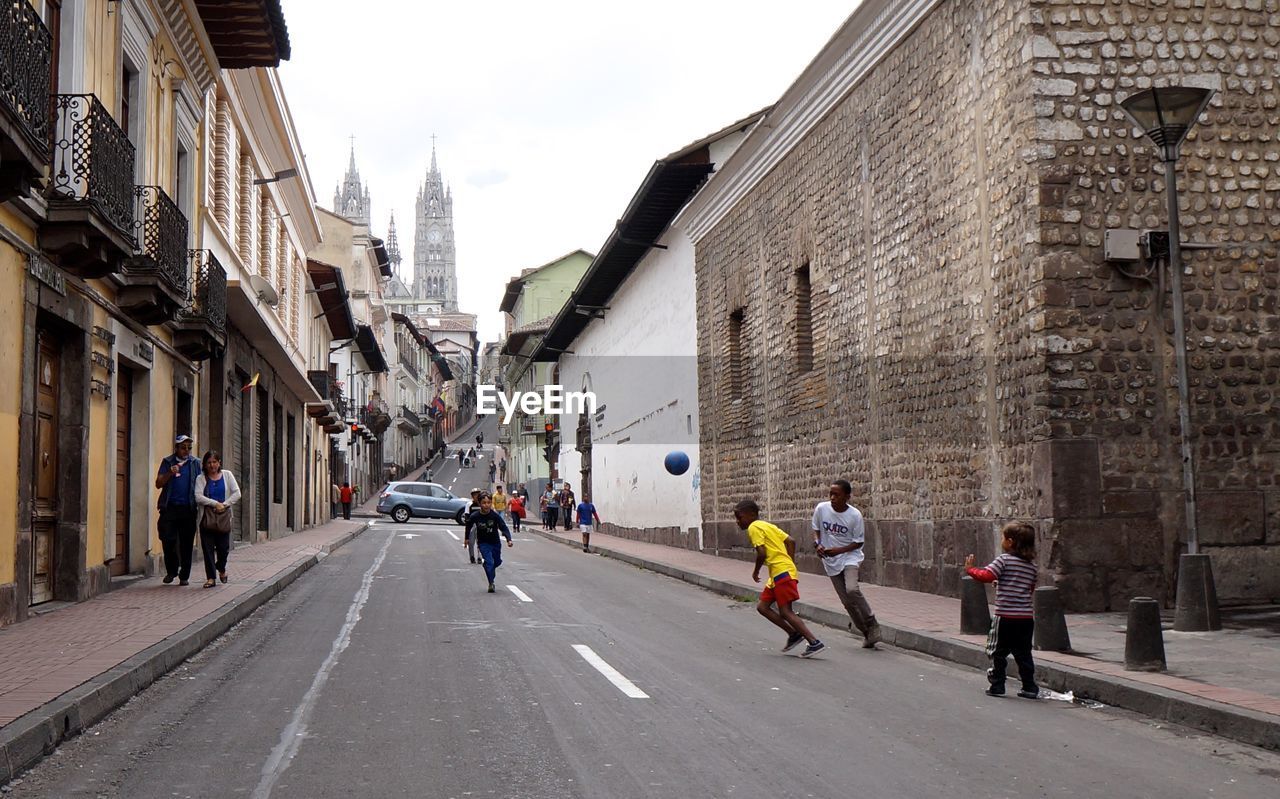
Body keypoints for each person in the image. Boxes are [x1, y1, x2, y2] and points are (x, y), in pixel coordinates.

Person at [734, 498, 824, 658]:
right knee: (763, 606)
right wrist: (789, 561)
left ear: (752, 515)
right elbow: (791, 541)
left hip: (781, 573)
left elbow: (761, 552)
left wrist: (755, 571)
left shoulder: (754, 527)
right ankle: (793, 633)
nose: (737, 521)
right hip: (779, 573)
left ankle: (814, 641)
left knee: (785, 611)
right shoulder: (767, 525)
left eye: (739, 517)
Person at [965, 523, 1040, 699]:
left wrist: (970, 569)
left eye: (1003, 538)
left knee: (998, 651)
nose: (1002, 541)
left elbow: (987, 575)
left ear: (1011, 542)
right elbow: (1027, 589)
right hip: (1025, 618)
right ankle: (1029, 686)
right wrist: (1004, 584)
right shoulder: (1031, 567)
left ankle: (998, 684)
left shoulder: (1004, 560)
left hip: (1005, 616)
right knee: (1023, 653)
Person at [812, 479, 882, 649]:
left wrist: (838, 550)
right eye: (831, 494)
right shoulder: (822, 509)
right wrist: (818, 544)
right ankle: (866, 632)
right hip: (830, 560)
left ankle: (872, 622)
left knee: (852, 589)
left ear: (847, 497)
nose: (832, 498)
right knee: (847, 601)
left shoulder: (855, 515)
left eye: (837, 494)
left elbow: (858, 542)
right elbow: (816, 530)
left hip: (850, 556)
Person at [155, 434, 202, 585]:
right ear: (176, 448)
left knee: (186, 543)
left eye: (189, 448)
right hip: (169, 508)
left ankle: (184, 576)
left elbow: (202, 483)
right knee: (167, 539)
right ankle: (172, 570)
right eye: (183, 448)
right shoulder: (167, 462)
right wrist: (170, 472)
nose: (186, 451)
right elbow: (158, 483)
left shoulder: (195, 463)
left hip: (188, 508)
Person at [194, 451, 241, 588]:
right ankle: (211, 578)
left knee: (223, 549)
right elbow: (197, 496)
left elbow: (237, 493)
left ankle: (221, 568)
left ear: (219, 462)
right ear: (205, 464)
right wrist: (215, 503)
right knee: (207, 550)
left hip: (223, 518)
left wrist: (224, 505)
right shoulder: (200, 478)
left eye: (214, 462)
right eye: (209, 462)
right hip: (206, 519)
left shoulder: (227, 475)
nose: (212, 465)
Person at [465, 493, 513, 592]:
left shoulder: (494, 516)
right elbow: (468, 526)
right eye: (484, 503)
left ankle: (488, 567)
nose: (486, 505)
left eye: (488, 503)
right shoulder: (475, 516)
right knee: (490, 563)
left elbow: (503, 527)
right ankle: (491, 583)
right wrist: (466, 539)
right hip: (483, 543)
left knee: (497, 562)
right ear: (479, 503)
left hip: (495, 542)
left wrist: (509, 539)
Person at [462, 489, 483, 564]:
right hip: (472, 525)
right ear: (472, 496)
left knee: (480, 542)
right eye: (475, 495)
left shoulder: (482, 504)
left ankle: (479, 557)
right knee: (471, 542)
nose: (476, 496)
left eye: (478, 494)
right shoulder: (469, 504)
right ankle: (472, 556)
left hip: (481, 526)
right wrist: (466, 537)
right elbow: (467, 518)